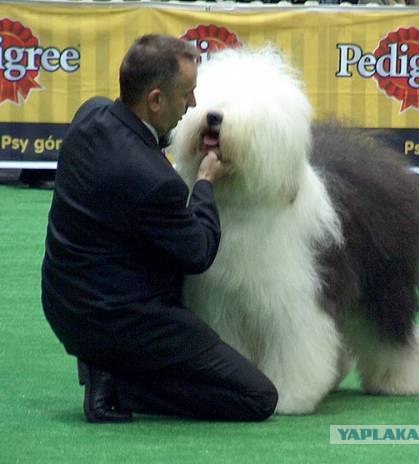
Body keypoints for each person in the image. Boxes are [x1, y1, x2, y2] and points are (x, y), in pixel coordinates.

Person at [41, 34, 278, 423]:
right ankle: (121, 383)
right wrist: (204, 184)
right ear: (155, 100)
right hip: (119, 319)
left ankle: (107, 365)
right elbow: (198, 252)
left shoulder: (90, 115)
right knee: (257, 397)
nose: (194, 105)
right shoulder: (155, 181)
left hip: (62, 304)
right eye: (187, 95)